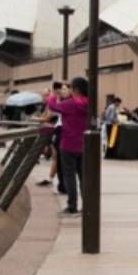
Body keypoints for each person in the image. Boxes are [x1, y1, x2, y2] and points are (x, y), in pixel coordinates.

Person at [46, 78, 90, 215]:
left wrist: (54, 94)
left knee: (69, 176)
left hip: (68, 145)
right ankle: (88, 206)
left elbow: (52, 106)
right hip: (84, 145)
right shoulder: (89, 103)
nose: (68, 89)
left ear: (76, 89)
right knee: (83, 176)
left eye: (70, 87)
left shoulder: (70, 104)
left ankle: (72, 206)